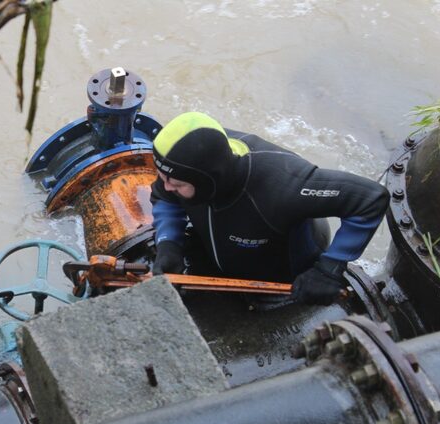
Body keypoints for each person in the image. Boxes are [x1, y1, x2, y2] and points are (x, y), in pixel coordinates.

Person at [150, 112, 389, 306]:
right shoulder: (183, 166)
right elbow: (163, 196)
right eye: (164, 177)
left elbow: (369, 198)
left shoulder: (283, 184)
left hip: (287, 281)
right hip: (225, 260)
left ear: (208, 179)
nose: (167, 186)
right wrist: (169, 243)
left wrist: (330, 268)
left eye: (176, 183)